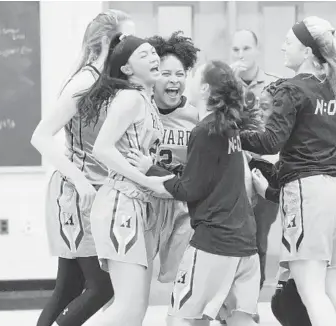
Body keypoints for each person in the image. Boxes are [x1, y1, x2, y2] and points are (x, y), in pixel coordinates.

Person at [240, 16, 336, 326]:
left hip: (309, 192)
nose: (283, 45)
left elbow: (271, 142)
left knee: (312, 292)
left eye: (289, 41)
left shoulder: (291, 90)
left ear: (308, 51)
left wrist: (231, 131)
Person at [30, 10, 134, 326]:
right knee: (102, 286)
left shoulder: (112, 82)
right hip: (78, 194)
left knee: (69, 288)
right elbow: (40, 136)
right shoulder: (85, 81)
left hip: (97, 193)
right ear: (107, 42)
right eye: (126, 39)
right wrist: (80, 179)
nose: (133, 46)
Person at [146, 61, 262, 326]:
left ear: (205, 88)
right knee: (238, 320)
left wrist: (150, 172)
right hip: (245, 243)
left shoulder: (204, 131)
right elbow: (205, 178)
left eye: (194, 75)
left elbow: (189, 189)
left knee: (179, 319)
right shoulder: (229, 126)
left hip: (214, 243)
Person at [76, 32, 173, 326]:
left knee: (134, 309)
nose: (154, 57)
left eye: (153, 53)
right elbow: (102, 148)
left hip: (137, 204)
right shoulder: (130, 98)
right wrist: (145, 179)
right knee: (128, 309)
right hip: (121, 205)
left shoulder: (145, 99)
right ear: (127, 69)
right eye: (144, 55)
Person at [251, 157, 336, 326]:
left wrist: (267, 191)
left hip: (328, 210)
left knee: (309, 295)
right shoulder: (327, 144)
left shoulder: (302, 150)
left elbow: (271, 141)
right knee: (331, 291)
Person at [126, 31, 200, 283]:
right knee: (134, 281)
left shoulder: (195, 116)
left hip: (181, 204)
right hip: (145, 202)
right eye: (166, 74)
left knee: (181, 279)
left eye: (180, 74)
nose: (174, 80)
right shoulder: (138, 110)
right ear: (154, 77)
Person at [231, 29, 280, 294]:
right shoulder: (225, 85)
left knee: (258, 235)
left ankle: (250, 300)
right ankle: (230, 301)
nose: (241, 55)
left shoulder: (275, 85)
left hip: (265, 167)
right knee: (234, 233)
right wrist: (228, 84)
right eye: (236, 49)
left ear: (257, 50)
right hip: (232, 167)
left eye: (246, 49)